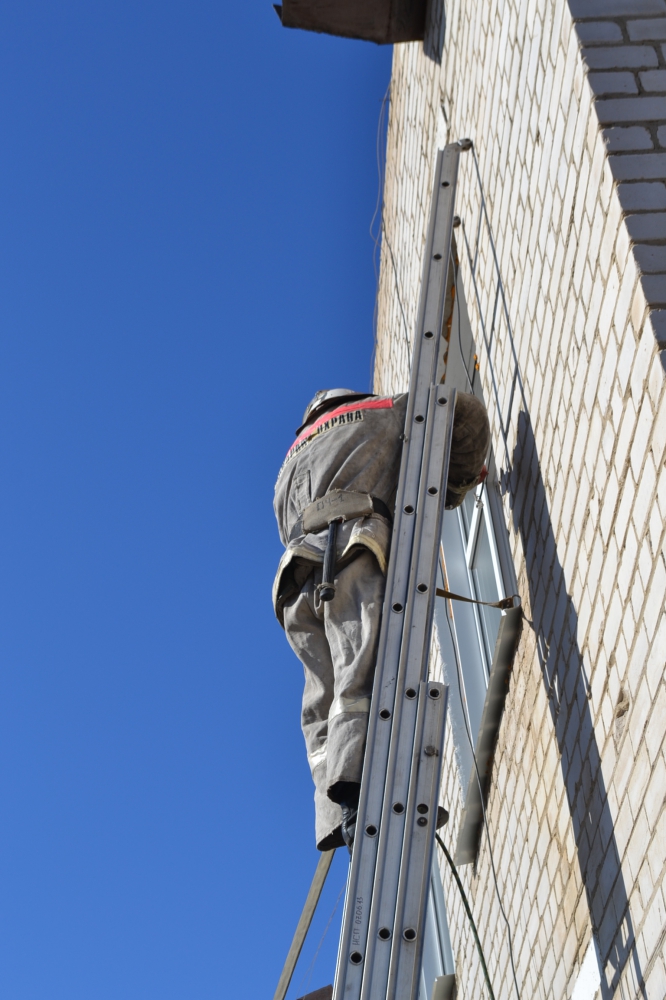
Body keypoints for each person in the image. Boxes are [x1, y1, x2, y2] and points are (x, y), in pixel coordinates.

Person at [273, 388, 489, 852]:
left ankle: (335, 814)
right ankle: (374, 796)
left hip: (295, 588)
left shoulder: (284, 470)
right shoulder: (379, 411)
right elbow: (461, 411)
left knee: (322, 703)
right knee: (364, 678)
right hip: (352, 549)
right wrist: (454, 485)